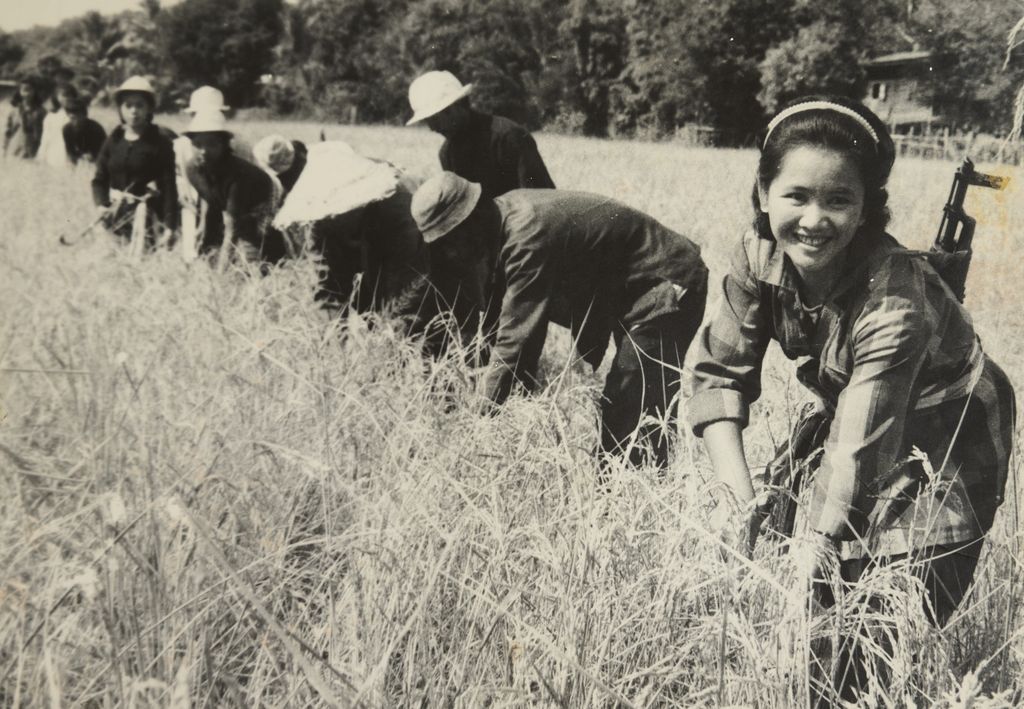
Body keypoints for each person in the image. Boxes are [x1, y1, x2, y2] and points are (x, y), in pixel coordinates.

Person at [686, 96, 1016, 705]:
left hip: (947, 439)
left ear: (866, 209)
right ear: (763, 193)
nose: (814, 220)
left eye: (838, 200)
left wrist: (817, 549)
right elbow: (719, 375)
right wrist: (739, 502)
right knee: (808, 602)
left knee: (872, 629)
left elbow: (858, 452)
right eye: (796, 196)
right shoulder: (758, 255)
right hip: (854, 414)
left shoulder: (895, 301)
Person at [411, 171, 708, 470]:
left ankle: (624, 486)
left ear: (471, 221)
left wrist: (480, 419)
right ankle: (637, 476)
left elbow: (516, 340)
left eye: (451, 240)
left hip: (668, 280)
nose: (452, 252)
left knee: (631, 399)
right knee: (638, 400)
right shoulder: (506, 217)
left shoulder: (526, 236)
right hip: (636, 290)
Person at [273, 140, 432, 327]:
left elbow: (407, 276)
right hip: (367, 259)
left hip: (404, 252)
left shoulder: (393, 199)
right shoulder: (321, 222)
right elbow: (327, 289)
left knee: (406, 311)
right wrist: (334, 338)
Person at [406, 71, 555, 200]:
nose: (433, 128)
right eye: (428, 122)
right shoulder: (448, 154)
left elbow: (541, 200)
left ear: (456, 106)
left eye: (435, 120)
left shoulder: (508, 136)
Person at [184, 110, 287, 269]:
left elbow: (232, 228)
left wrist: (221, 274)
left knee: (253, 255)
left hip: (264, 199)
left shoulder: (237, 175)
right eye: (198, 144)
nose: (203, 151)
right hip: (233, 202)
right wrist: (202, 227)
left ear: (224, 145)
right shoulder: (192, 168)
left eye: (212, 144)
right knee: (208, 247)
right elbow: (207, 195)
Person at [91, 76, 178, 246]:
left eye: (140, 105)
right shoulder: (114, 140)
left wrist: (170, 226)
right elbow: (99, 179)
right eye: (128, 105)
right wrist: (101, 205)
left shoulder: (160, 142)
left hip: (147, 218)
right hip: (114, 214)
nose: (134, 111)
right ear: (120, 108)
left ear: (149, 108)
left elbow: (169, 187)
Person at [3, 78, 46, 159]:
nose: (27, 93)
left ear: (35, 91)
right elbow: (8, 132)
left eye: (30, 90)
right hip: (15, 148)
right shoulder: (14, 111)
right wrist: (4, 149)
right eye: (25, 90)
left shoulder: (41, 111)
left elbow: (45, 133)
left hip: (33, 148)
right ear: (19, 92)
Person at [37, 83, 78, 167]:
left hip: (71, 153)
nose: (68, 98)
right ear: (56, 97)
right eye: (64, 95)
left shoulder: (78, 115)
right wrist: (41, 156)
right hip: (53, 153)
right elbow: (45, 138)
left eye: (71, 95)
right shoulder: (51, 116)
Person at [62, 96, 107, 165]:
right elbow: (70, 152)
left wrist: (92, 156)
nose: (76, 122)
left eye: (79, 118)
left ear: (85, 115)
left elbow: (104, 152)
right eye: (73, 118)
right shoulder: (67, 130)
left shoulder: (96, 129)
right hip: (81, 160)